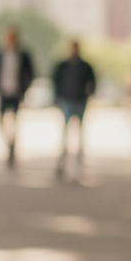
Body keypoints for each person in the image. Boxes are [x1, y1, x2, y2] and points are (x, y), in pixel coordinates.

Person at [0, 24, 34, 168]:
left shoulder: (23, 54)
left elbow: (30, 73)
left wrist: (25, 89)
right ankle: (8, 144)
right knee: (1, 120)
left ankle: (13, 147)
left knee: (14, 121)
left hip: (16, 92)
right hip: (3, 92)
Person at [52, 40, 95, 179]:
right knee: (65, 132)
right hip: (66, 101)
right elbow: (55, 82)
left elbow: (93, 82)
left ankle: (80, 163)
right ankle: (62, 162)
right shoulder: (62, 66)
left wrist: (88, 93)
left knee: (80, 133)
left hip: (80, 101)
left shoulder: (85, 66)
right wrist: (58, 97)